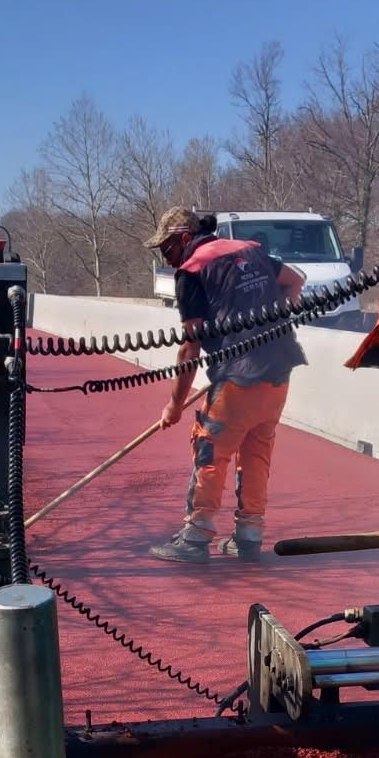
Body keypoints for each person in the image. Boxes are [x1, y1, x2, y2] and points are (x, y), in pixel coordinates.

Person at [144, 206, 306, 564]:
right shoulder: (248, 249)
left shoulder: (192, 271)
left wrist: (174, 404)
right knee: (256, 452)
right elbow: (295, 281)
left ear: (185, 239)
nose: (166, 259)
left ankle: (196, 536)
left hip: (239, 377)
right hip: (279, 372)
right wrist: (276, 324)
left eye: (166, 249)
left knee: (210, 449)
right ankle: (249, 535)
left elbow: (190, 344)